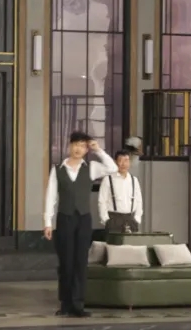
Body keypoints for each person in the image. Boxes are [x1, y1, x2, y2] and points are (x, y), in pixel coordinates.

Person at [44, 131, 117, 317]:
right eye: (76, 144)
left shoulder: (91, 167)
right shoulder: (57, 169)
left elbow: (112, 168)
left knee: (80, 262)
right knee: (65, 262)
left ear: (86, 150)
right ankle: (65, 304)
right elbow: (51, 197)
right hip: (65, 218)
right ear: (70, 146)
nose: (78, 149)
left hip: (83, 219)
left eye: (83, 146)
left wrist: (98, 150)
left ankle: (78, 304)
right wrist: (47, 222)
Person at [98, 149, 143, 233]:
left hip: (131, 219)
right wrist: (105, 219)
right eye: (120, 160)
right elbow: (102, 201)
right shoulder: (108, 179)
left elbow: (139, 200)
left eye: (126, 160)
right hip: (114, 219)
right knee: (114, 242)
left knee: (132, 242)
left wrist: (137, 218)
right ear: (115, 162)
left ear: (129, 162)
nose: (123, 164)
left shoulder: (134, 180)